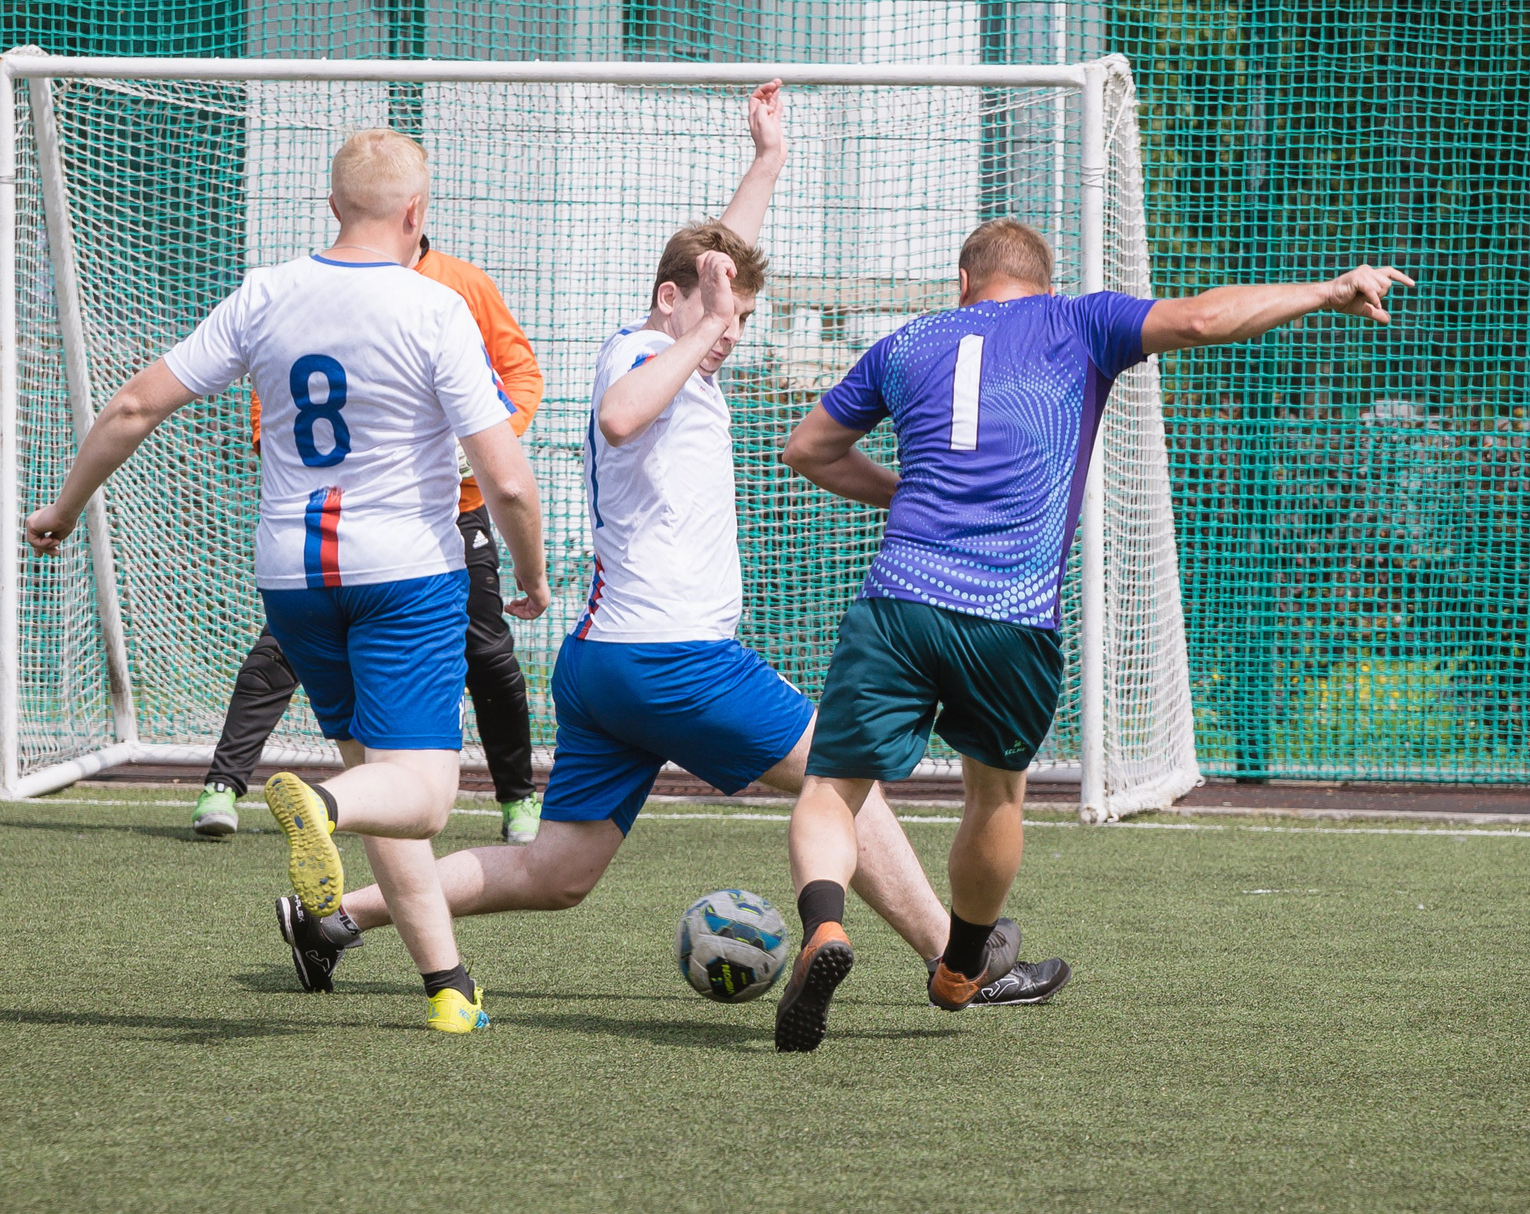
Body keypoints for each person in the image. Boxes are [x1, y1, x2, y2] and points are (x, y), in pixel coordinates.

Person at [273, 85, 1072, 1046]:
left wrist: (766, 164)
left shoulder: (679, 339)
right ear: (668, 299)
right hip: (672, 657)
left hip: (607, 663)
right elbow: (620, 412)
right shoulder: (643, 354)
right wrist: (698, 330)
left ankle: (333, 916)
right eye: (717, 312)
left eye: (738, 316)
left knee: (558, 872)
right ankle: (964, 959)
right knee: (842, 777)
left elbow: (712, 276)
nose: (731, 331)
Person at [779, 217, 1414, 1042]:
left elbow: (808, 448)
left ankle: (825, 926)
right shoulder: (1078, 320)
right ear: (1043, 283)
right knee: (996, 795)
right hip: (1012, 617)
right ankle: (962, 964)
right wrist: (1327, 292)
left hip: (901, 597)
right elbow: (1201, 318)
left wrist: (908, 493)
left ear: (964, 282)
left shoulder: (908, 341)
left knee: (833, 787)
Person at [26, 127, 548, 1035]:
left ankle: (450, 989)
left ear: (333, 205)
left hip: (293, 579)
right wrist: (533, 577)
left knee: (383, 780)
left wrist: (66, 507)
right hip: (405, 576)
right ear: (417, 214)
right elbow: (504, 477)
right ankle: (320, 805)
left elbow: (135, 404)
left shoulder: (265, 293)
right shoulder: (434, 309)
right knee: (418, 796)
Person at [191, 236, 546, 846]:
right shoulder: (317, 292)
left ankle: (516, 800)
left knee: (488, 654)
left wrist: (484, 441)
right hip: (336, 523)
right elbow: (267, 393)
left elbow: (521, 376)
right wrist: (274, 446)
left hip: (443, 518)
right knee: (280, 654)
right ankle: (226, 784)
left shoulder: (458, 287)